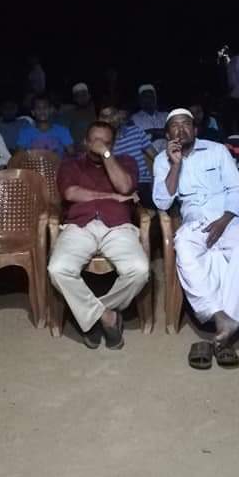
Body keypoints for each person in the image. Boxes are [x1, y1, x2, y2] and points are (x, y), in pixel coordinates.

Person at [153, 109, 239, 369]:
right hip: (195, 222)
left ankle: (228, 324)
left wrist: (224, 220)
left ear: (195, 129)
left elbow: (238, 189)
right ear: (168, 134)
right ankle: (220, 317)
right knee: (184, 248)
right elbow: (162, 202)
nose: (181, 130)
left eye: (186, 125)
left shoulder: (217, 150)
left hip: (228, 217)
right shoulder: (162, 160)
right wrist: (175, 164)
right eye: (175, 126)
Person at [47, 120, 149, 349]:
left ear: (113, 145)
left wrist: (106, 155)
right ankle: (106, 317)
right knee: (58, 269)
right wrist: (112, 198)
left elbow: (125, 187)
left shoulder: (125, 162)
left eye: (105, 142)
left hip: (117, 226)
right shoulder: (70, 164)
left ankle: (90, 315)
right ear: (85, 142)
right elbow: (71, 193)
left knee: (140, 271)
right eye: (95, 141)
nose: (99, 145)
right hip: (80, 225)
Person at [99, 103, 156, 207]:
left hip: (141, 183)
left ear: (119, 115)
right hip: (120, 187)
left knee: (148, 206)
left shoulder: (136, 131)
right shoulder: (103, 143)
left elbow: (155, 156)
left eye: (113, 114)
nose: (111, 119)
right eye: (105, 116)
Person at [60, 83, 97, 148]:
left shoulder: (96, 111)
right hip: (76, 149)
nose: (82, 98)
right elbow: (62, 132)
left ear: (89, 96)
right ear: (74, 99)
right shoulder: (69, 113)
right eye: (78, 96)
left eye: (84, 95)